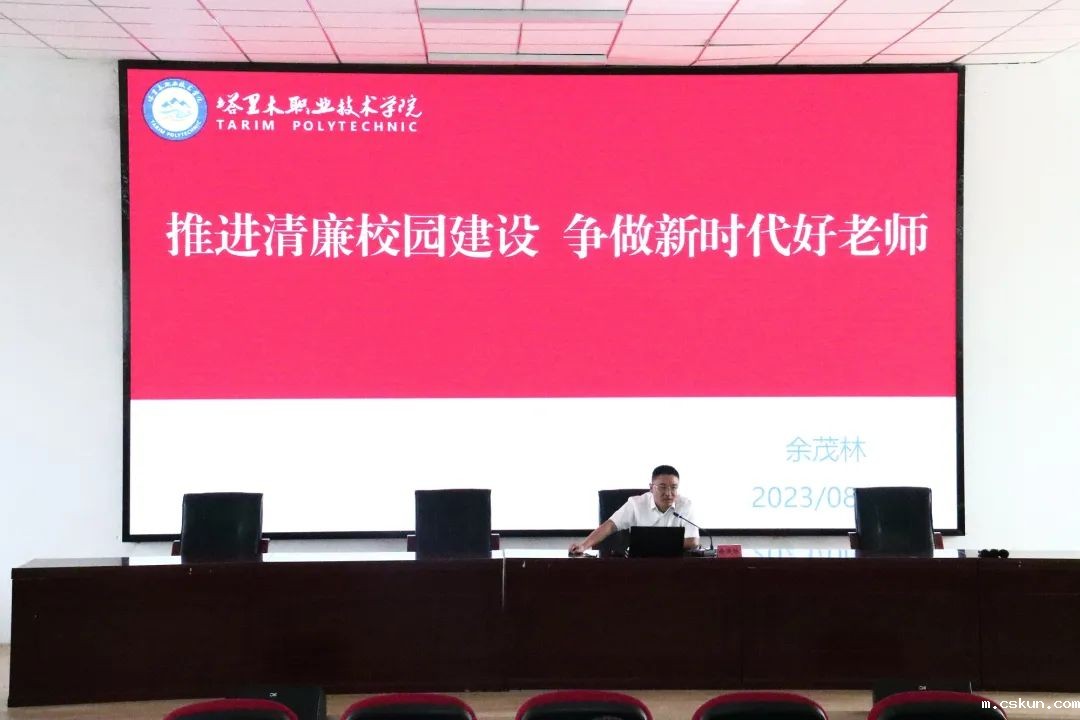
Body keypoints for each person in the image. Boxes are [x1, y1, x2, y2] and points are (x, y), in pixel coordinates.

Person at [569, 464, 699, 554]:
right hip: (640, 564)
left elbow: (693, 541)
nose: (668, 493)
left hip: (675, 564)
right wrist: (583, 546)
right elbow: (610, 525)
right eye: (663, 487)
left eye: (674, 487)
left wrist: (652, 543)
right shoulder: (636, 504)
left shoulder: (685, 505)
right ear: (651, 487)